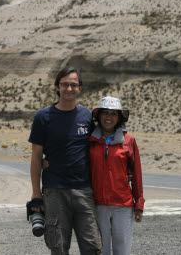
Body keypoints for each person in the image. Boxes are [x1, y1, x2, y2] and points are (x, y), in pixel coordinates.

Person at [28, 67, 102, 255]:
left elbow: (98, 150)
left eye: (73, 85)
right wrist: (36, 194)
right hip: (54, 192)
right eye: (65, 84)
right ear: (57, 87)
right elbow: (36, 157)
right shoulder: (43, 117)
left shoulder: (87, 116)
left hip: (84, 190)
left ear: (80, 88)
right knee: (58, 246)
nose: (69, 88)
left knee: (92, 246)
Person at [89, 96, 145, 255]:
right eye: (105, 113)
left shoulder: (129, 141)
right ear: (98, 116)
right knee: (101, 249)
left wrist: (139, 204)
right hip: (97, 204)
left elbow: (137, 175)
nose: (108, 117)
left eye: (113, 114)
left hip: (123, 205)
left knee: (122, 249)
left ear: (119, 117)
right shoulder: (90, 140)